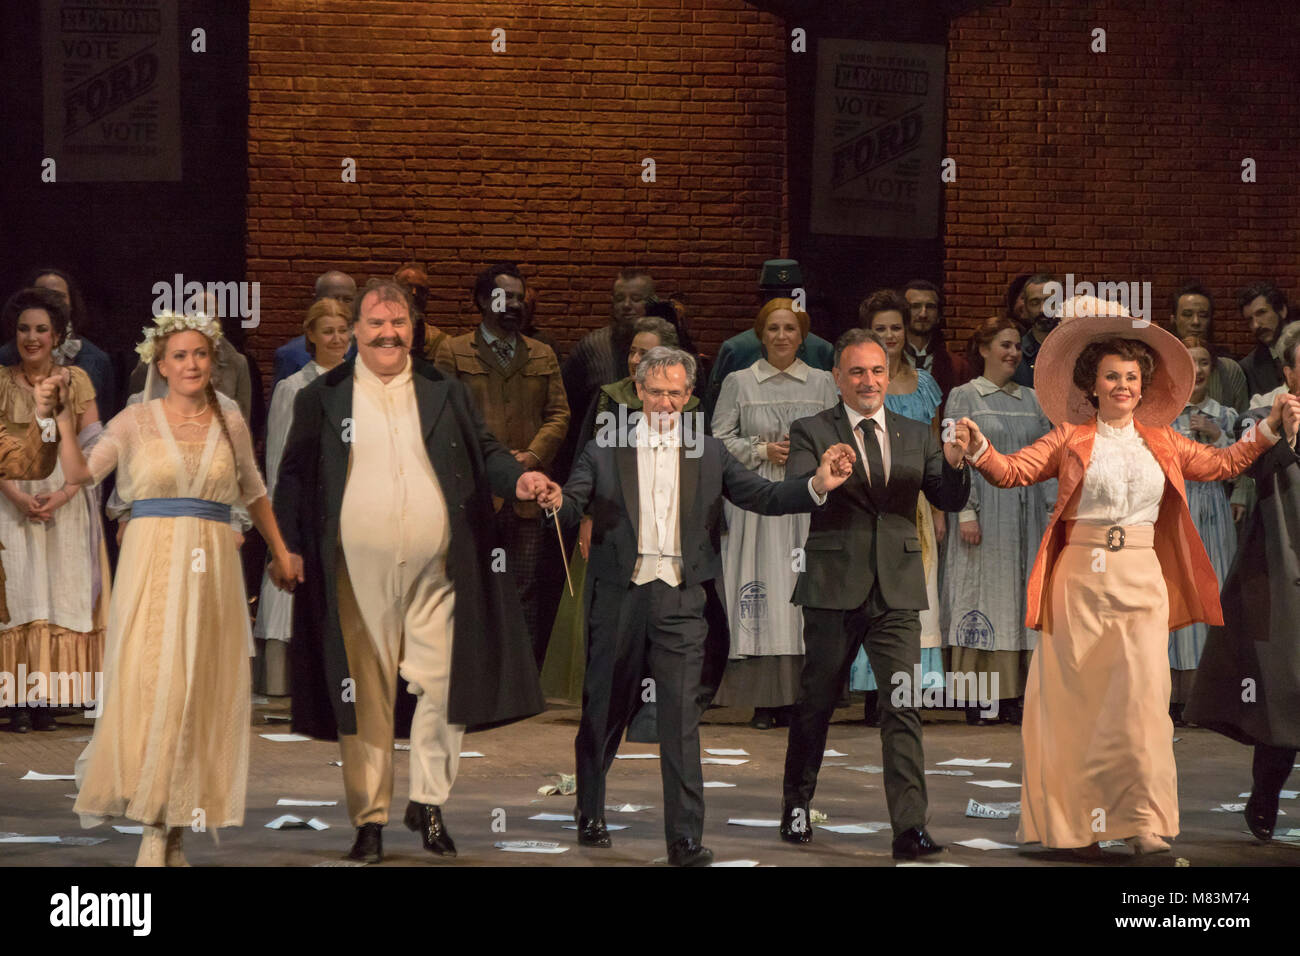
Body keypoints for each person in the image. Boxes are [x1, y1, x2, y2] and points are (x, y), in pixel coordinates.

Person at [956, 294, 1297, 857]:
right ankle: (1074, 826)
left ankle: (1142, 823)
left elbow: (1220, 465)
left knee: (1141, 705)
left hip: (1142, 582)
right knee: (1078, 706)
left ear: (1144, 385)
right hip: (1080, 585)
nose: (1122, 386)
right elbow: (1014, 473)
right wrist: (980, 448)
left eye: (1132, 377)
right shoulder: (1070, 437)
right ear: (1092, 385)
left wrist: (1265, 432)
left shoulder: (1162, 439)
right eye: (1111, 377)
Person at [274, 279, 551, 864]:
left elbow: (488, 452)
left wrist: (520, 478)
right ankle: (370, 819)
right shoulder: (322, 398)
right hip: (355, 572)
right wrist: (286, 546)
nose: (388, 333)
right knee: (364, 696)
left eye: (398, 322)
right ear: (355, 331)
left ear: (413, 329)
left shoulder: (444, 391)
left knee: (445, 687)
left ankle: (428, 802)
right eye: (376, 323)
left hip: (439, 569)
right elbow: (294, 478)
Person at [549, 346, 854, 866]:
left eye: (676, 392)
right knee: (604, 710)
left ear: (689, 396)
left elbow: (762, 495)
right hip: (620, 596)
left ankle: (684, 838)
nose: (666, 402)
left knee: (681, 719)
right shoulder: (605, 447)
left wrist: (817, 485)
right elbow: (575, 498)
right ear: (638, 392)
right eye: (656, 392)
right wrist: (556, 500)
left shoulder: (709, 452)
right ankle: (591, 810)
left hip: (682, 599)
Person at [70, 311, 297, 866]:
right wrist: (58, 425)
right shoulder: (133, 420)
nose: (191, 364)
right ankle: (153, 825)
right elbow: (81, 476)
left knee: (199, 690)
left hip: (213, 568)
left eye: (199, 354)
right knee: (155, 687)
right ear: (160, 363)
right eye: (179, 355)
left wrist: (280, 548)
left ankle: (175, 830)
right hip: (152, 565)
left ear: (211, 360)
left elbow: (252, 488)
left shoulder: (232, 418)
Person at [779, 328, 972, 860]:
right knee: (816, 703)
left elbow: (948, 499)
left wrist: (956, 461)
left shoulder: (916, 432)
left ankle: (909, 828)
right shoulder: (812, 429)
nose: (869, 381)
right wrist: (822, 477)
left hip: (898, 590)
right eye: (857, 371)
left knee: (903, 707)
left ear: (889, 377)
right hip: (832, 586)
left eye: (878, 371)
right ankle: (796, 807)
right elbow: (801, 490)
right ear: (838, 378)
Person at [1186, 320, 1300, 842]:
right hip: (1282, 577)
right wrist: (1282, 429)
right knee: (1282, 697)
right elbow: (1248, 461)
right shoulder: (1263, 416)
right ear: (1289, 371)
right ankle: (1265, 793)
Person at [540, 315, 687, 704]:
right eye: (633, 351)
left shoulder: (686, 401)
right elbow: (588, 463)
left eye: (647, 352)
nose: (636, 358)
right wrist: (587, 516)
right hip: (613, 521)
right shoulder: (608, 397)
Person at [433, 263, 570, 667]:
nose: (512, 305)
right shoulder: (454, 351)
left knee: (524, 586)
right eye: (502, 296)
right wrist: (488, 458)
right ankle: (472, 669)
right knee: (471, 583)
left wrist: (531, 456)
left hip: (528, 494)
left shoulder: (542, 353)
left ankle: (519, 671)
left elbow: (559, 414)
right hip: (475, 492)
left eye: (518, 297)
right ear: (480, 300)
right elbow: (442, 415)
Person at [711, 298, 838, 729]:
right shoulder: (739, 382)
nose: (781, 336)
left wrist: (807, 452)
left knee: (800, 589)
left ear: (802, 336)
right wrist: (761, 450)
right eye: (773, 329)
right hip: (757, 500)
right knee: (760, 586)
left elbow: (840, 432)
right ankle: (763, 698)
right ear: (760, 335)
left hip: (805, 498)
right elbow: (717, 439)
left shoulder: (823, 381)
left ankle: (803, 696)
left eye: (790, 328)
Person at [0, 288, 109, 733]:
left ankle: (46, 698)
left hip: (63, 499)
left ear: (57, 334)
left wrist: (64, 494)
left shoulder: (76, 380)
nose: (32, 337)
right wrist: (16, 495)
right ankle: (11, 699)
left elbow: (96, 445)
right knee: (20, 591)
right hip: (11, 498)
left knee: (56, 592)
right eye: (25, 329)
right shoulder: (2, 381)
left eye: (41, 329)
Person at [941, 316, 1054, 726]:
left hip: (1025, 514)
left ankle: (1016, 694)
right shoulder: (964, 396)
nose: (1012, 353)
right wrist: (966, 511)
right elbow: (954, 458)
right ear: (983, 349)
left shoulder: (1034, 399)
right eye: (1004, 345)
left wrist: (1051, 509)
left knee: (1021, 596)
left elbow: (1048, 460)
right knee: (982, 596)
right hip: (984, 512)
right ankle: (978, 696)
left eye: (1016, 347)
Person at [849, 290, 946, 723]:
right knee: (873, 585)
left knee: (915, 593)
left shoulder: (924, 384)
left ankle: (909, 690)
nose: (889, 335)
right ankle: (873, 692)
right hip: (871, 495)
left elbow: (936, 444)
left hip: (917, 500)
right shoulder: (860, 380)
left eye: (895, 327)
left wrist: (941, 507)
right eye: (880, 328)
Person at [253, 298, 353, 696]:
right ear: (311, 335)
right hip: (311, 510)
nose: (337, 339)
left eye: (343, 331)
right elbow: (280, 463)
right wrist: (284, 532)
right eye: (328, 331)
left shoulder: (364, 384)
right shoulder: (292, 389)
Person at [1167, 336, 1238, 725]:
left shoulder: (1224, 414)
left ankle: (1206, 701)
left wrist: (1218, 437)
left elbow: (1243, 462)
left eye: (1205, 363)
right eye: (1190, 363)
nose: (1198, 371)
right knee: (1176, 599)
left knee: (1210, 597)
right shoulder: (1163, 415)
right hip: (1176, 512)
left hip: (1211, 511)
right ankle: (1172, 697)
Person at [702, 259, 835, 420]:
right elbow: (715, 407)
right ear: (761, 302)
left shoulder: (821, 350)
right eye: (773, 298)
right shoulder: (737, 349)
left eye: (790, 298)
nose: (782, 304)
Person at [0, 269, 118, 419]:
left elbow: (103, 424)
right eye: (43, 295)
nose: (51, 302)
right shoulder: (5, 358)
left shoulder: (98, 361)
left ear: (72, 303)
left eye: (59, 297)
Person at [1167, 282, 1249, 412]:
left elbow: (1243, 426)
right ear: (1174, 319)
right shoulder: (1159, 369)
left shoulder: (1229, 371)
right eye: (1187, 314)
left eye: (1203, 315)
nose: (1196, 322)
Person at [273, 270, 357, 386]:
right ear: (317, 300)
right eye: (335, 298)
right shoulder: (292, 355)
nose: (341, 304)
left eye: (347, 299)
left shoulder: (368, 352)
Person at [901, 279, 972, 396]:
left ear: (939, 315)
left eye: (930, 307)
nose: (923, 314)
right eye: (915, 306)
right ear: (902, 312)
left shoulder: (959, 367)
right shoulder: (885, 363)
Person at [1236, 280, 1290, 399]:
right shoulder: (1249, 367)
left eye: (1261, 313)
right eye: (1249, 320)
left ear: (1282, 311)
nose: (1256, 325)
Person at [1011, 273, 1058, 386]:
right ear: (1025, 308)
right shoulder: (1015, 356)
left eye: (1050, 302)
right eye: (1035, 303)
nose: (1042, 310)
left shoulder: (1077, 348)